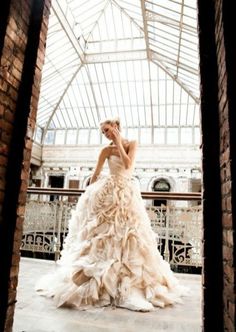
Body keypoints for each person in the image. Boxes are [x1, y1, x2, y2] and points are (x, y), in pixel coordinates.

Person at [35, 118, 188, 311]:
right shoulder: (105, 151)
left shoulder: (132, 143)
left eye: (107, 130)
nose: (106, 134)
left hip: (126, 193)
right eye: (103, 132)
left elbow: (128, 165)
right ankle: (101, 281)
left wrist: (118, 143)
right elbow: (96, 174)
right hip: (107, 194)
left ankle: (127, 285)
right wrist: (87, 196)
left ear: (116, 127)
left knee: (129, 236)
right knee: (105, 236)